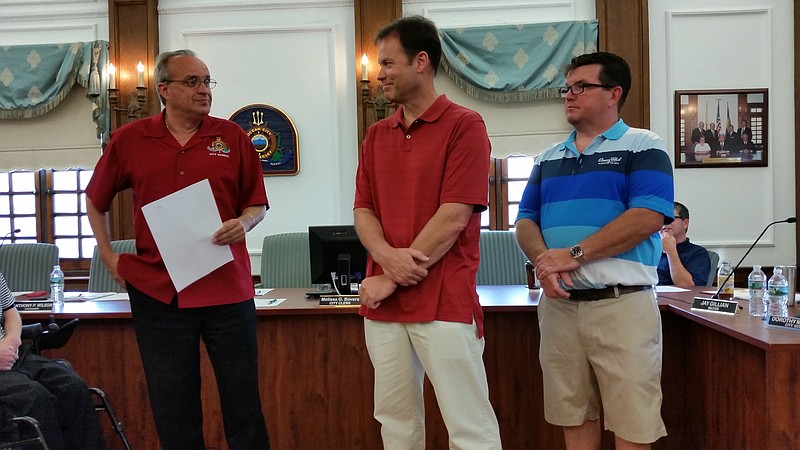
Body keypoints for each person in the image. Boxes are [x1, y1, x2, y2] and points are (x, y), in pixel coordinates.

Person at [85, 49, 270, 450]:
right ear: (163, 89)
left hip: (227, 290)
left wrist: (244, 223)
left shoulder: (232, 136)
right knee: (174, 405)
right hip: (158, 293)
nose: (204, 90)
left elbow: (257, 204)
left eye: (207, 81)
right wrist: (107, 253)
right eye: (193, 82)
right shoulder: (130, 139)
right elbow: (95, 200)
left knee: (243, 404)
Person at [353, 15, 502, 450]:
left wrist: (390, 272)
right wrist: (386, 259)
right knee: (396, 424)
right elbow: (363, 210)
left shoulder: (465, 125)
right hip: (384, 304)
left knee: (469, 426)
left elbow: (455, 216)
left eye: (388, 63)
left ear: (421, 62)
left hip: (444, 301)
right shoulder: (376, 134)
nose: (379, 74)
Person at [515, 51, 672, 449]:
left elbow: (648, 217)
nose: (570, 95)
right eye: (567, 88)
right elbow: (525, 221)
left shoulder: (643, 145)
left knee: (633, 422)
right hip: (560, 308)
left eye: (582, 87)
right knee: (573, 414)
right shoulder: (548, 157)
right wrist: (544, 265)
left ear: (614, 93)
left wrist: (575, 254)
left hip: (622, 307)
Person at [0, 273, 106, 450]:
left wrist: (12, 340)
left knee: (70, 386)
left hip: (12, 354)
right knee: (34, 396)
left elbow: (10, 311)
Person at [658, 202, 711, 287]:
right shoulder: (652, 250)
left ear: (685, 223)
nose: (665, 223)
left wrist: (670, 250)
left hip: (676, 299)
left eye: (670, 218)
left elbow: (687, 285)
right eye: (661, 219)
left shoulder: (698, 253)